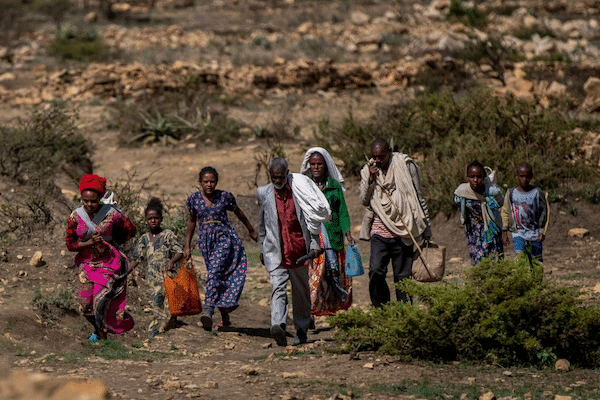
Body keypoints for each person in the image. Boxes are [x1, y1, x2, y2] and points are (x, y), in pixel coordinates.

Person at [257, 157, 330, 346]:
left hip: (299, 252)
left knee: (301, 294)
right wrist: (263, 248)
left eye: (280, 177)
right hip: (276, 252)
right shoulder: (263, 193)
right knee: (278, 289)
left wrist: (314, 244)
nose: (277, 181)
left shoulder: (299, 191)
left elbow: (311, 222)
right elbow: (262, 225)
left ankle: (301, 329)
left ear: (287, 173)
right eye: (274, 177)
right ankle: (278, 326)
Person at [359, 138, 431, 307]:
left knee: (402, 277)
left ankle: (404, 315)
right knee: (376, 271)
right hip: (380, 229)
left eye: (381, 157)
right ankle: (382, 310)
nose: (377, 160)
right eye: (374, 157)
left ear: (389, 152)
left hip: (404, 229)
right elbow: (363, 200)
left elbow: (418, 195)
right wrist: (371, 178)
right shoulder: (367, 170)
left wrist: (427, 226)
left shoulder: (405, 165)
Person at [184, 166, 258, 331]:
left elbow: (239, 213)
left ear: (216, 182)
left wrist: (251, 230)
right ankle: (225, 316)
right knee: (218, 276)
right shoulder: (194, 199)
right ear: (200, 182)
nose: (209, 184)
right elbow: (191, 222)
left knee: (214, 272)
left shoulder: (225, 197)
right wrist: (187, 245)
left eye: (212, 181)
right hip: (205, 241)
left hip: (224, 238)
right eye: (206, 181)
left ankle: (208, 309)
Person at [65, 174, 137, 341]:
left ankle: (103, 340)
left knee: (100, 301)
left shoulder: (112, 214)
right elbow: (70, 244)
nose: (89, 205)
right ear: (81, 199)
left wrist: (115, 239)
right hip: (87, 264)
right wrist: (89, 242)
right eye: (85, 201)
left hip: (109, 262)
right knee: (85, 305)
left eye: (93, 201)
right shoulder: (75, 216)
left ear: (100, 199)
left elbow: (131, 229)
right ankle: (98, 330)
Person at [300, 147, 353, 316]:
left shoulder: (334, 186)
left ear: (325, 165)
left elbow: (342, 211)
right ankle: (310, 312)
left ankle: (332, 310)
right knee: (314, 276)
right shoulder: (304, 187)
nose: (316, 167)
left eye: (319, 164)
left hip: (332, 235)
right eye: (313, 164)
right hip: (313, 237)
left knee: (333, 273)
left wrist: (348, 232)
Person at [129, 197, 184, 338]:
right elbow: (136, 259)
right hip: (153, 278)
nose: (153, 221)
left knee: (169, 302)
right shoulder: (144, 239)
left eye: (156, 218)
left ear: (161, 219)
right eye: (150, 218)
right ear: (146, 220)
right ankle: (156, 331)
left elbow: (180, 251)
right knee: (157, 302)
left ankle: (167, 325)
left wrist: (172, 261)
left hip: (167, 275)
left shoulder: (167, 235)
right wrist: (125, 272)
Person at [454, 161, 504, 265]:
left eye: (479, 177)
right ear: (467, 177)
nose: (475, 180)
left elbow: (502, 205)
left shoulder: (492, 192)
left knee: (494, 260)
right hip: (473, 231)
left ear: (484, 177)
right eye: (472, 177)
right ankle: (480, 281)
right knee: (478, 260)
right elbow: (459, 205)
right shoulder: (462, 192)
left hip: (491, 229)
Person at [501, 162, 549, 262]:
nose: (524, 179)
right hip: (518, 233)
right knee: (520, 259)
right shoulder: (511, 193)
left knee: (536, 262)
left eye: (527, 176)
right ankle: (521, 278)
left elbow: (545, 212)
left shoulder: (537, 192)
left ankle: (535, 278)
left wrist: (542, 231)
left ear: (531, 176)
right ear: (517, 177)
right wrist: (504, 231)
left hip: (534, 234)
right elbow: (505, 211)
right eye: (521, 176)